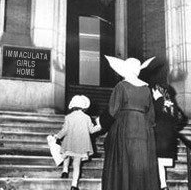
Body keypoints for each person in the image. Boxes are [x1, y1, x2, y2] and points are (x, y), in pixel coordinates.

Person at [101, 56, 160, 190]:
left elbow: (112, 110)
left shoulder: (121, 86)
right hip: (144, 129)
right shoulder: (146, 89)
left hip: (125, 126)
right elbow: (151, 116)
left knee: (124, 162)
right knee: (141, 164)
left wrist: (101, 124)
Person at [140, 56, 188, 190]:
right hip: (169, 136)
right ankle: (163, 185)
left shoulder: (156, 103)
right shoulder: (171, 103)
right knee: (161, 161)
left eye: (154, 90)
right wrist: (174, 127)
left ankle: (162, 184)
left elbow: (150, 117)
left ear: (158, 91)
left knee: (156, 160)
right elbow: (181, 118)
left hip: (158, 136)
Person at [54, 95, 101, 190]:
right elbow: (91, 130)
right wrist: (99, 125)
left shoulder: (68, 117)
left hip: (69, 143)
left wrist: (57, 136)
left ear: (73, 106)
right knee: (77, 164)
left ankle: (65, 171)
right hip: (81, 146)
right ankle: (74, 185)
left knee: (66, 156)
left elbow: (65, 130)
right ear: (84, 107)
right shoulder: (87, 118)